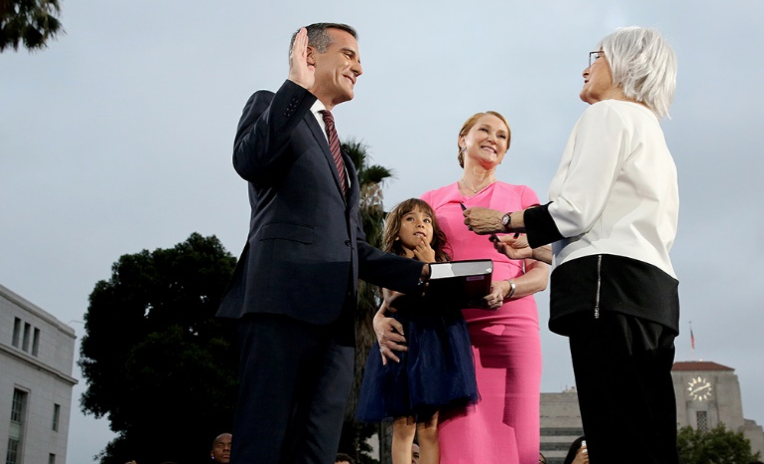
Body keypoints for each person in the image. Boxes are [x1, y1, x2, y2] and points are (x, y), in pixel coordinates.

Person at [463, 27, 680, 464]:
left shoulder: (607, 115)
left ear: (624, 62)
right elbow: (614, 222)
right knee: (649, 431)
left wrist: (505, 219)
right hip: (649, 291)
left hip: (607, 289)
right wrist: (537, 248)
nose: (586, 68)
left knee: (615, 433)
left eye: (596, 57)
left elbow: (577, 209)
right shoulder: (651, 130)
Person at [216, 23, 429, 464]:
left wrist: (424, 273)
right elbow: (249, 160)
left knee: (316, 451)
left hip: (336, 327)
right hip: (280, 307)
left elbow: (355, 247)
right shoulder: (271, 104)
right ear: (310, 55)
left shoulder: (345, 162)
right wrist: (296, 85)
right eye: (348, 55)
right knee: (262, 443)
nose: (359, 68)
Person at [376, 111, 549, 463]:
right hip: (445, 330)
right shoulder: (431, 200)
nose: (493, 138)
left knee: (518, 436)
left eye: (502, 135)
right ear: (462, 138)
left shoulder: (522, 195)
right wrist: (380, 315)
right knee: (451, 436)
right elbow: (404, 265)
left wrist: (506, 287)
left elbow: (542, 271)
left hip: (511, 329)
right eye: (485, 129)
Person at [356, 199, 479, 464]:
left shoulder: (442, 262)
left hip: (436, 344)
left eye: (426, 220)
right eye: (410, 219)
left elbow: (450, 299)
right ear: (395, 231)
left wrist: (432, 264)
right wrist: (425, 272)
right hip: (404, 344)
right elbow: (392, 300)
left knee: (429, 425)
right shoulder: (392, 263)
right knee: (403, 424)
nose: (420, 225)